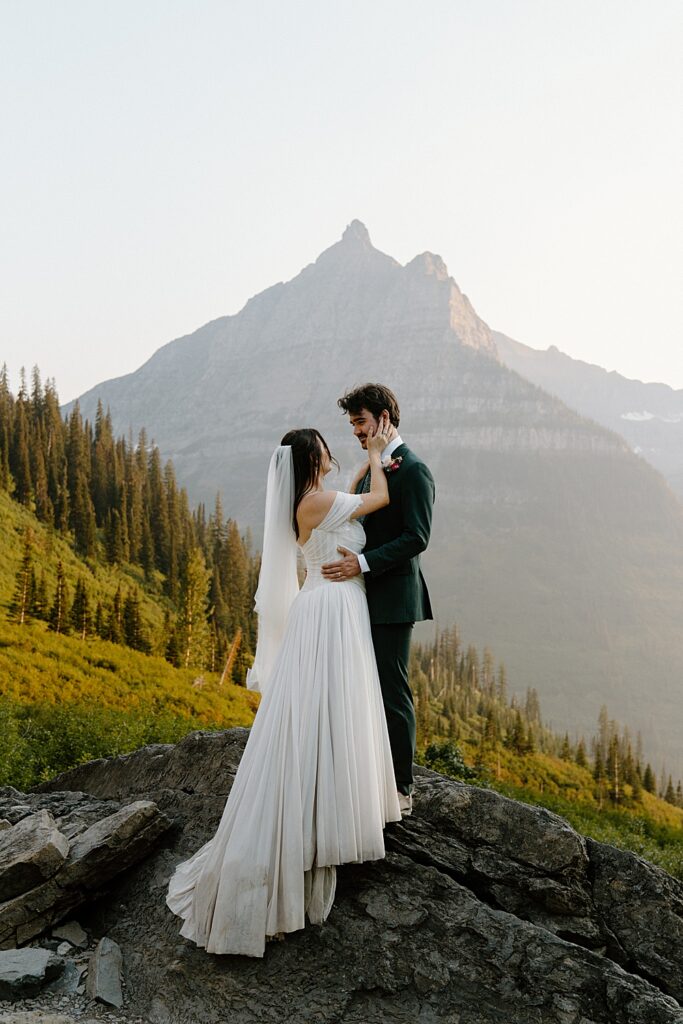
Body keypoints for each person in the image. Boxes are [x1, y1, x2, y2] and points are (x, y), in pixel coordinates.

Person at [165, 424, 401, 957]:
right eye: (322, 446)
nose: (329, 450)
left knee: (315, 705)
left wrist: (364, 461)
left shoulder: (309, 499)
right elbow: (381, 497)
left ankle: (320, 802)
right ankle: (319, 815)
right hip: (333, 609)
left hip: (322, 603)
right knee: (331, 704)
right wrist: (378, 449)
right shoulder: (319, 501)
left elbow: (355, 489)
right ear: (310, 458)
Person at [322, 384, 434, 817]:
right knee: (361, 687)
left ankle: (402, 788)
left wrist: (362, 565)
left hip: (392, 599)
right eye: (351, 424)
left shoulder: (415, 470)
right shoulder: (374, 469)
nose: (355, 431)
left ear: (384, 418)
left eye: (360, 422)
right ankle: (369, 778)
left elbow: (416, 538)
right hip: (360, 596)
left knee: (392, 692)